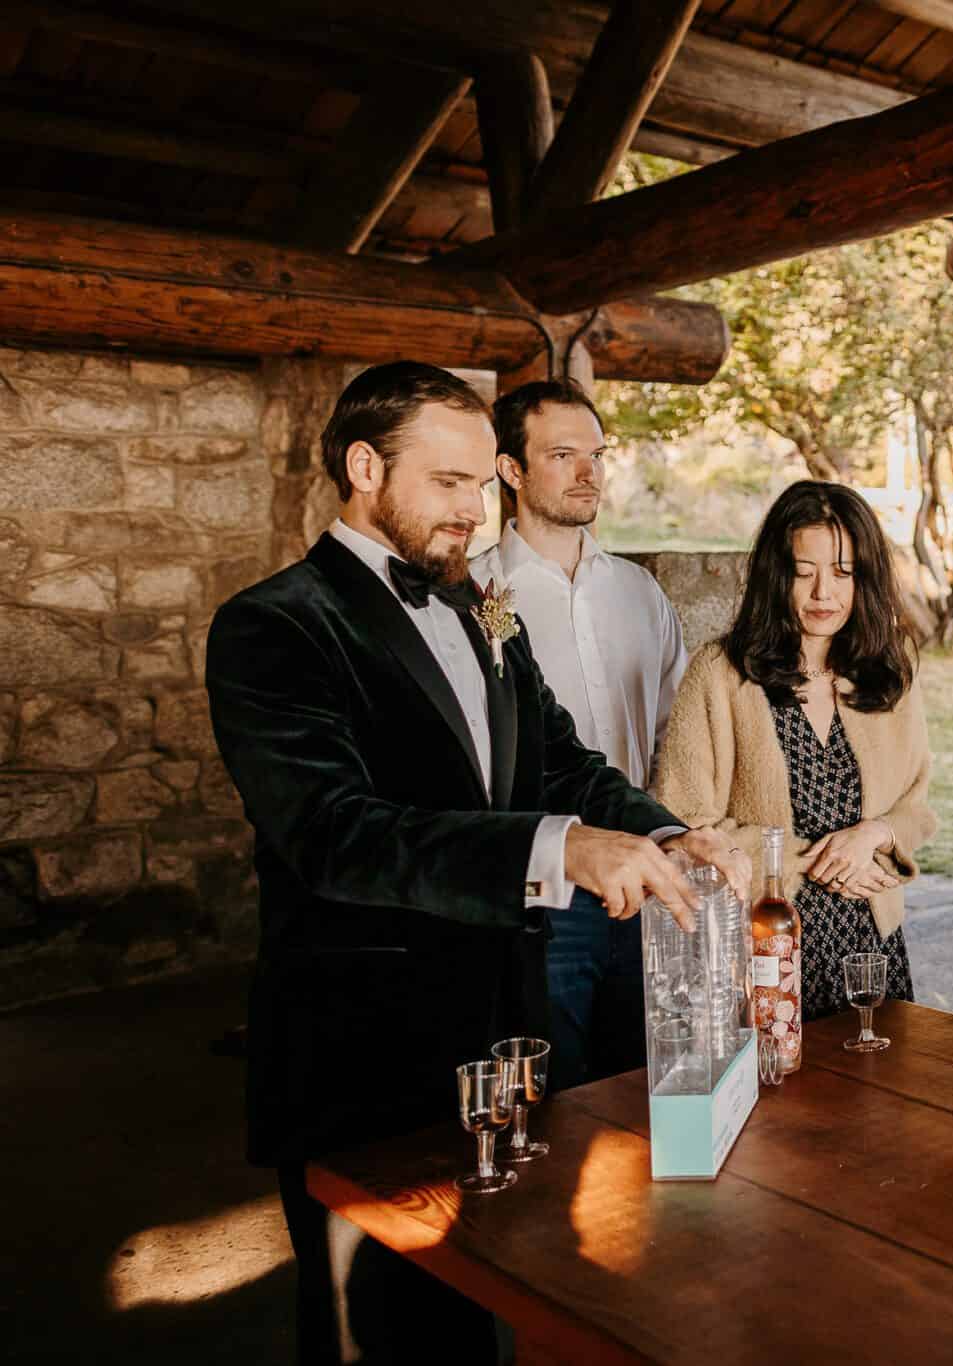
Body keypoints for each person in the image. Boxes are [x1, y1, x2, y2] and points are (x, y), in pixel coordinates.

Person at [206, 361, 746, 1365]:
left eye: (481, 486)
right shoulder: (272, 626)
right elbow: (336, 833)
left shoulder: (479, 607)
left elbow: (560, 758)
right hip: (359, 1054)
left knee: (479, 1310)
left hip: (497, 1035)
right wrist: (558, 847)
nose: (473, 509)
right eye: (447, 483)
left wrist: (662, 830)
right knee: (372, 1331)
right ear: (364, 467)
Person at [471, 379, 689, 1091]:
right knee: (549, 1095)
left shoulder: (640, 593)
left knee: (642, 1086)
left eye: (596, 453)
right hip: (542, 899)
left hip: (644, 881)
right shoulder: (476, 599)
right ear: (511, 470)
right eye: (563, 454)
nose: (588, 472)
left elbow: (672, 736)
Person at [654, 480, 935, 1019]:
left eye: (843, 573)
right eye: (804, 573)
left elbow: (917, 807)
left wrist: (873, 835)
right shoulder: (720, 673)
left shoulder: (890, 669)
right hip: (767, 942)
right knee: (783, 1094)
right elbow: (686, 822)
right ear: (776, 576)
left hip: (871, 944)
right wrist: (818, 861)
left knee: (880, 1096)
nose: (823, 593)